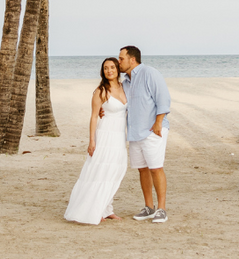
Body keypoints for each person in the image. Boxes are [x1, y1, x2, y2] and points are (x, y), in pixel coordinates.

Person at [64, 58, 129, 225]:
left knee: (114, 172)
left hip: (119, 137)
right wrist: (92, 141)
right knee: (99, 173)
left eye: (112, 67)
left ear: (117, 69)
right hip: (105, 136)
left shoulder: (125, 87)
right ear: (103, 71)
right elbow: (94, 117)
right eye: (106, 68)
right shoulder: (100, 91)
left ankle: (107, 209)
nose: (109, 71)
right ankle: (95, 210)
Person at [118, 45, 171, 223]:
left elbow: (163, 99)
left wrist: (158, 123)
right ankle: (149, 207)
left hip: (152, 130)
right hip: (134, 133)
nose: (119, 62)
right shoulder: (125, 82)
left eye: (121, 59)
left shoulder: (150, 73)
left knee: (156, 168)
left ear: (132, 60)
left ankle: (161, 209)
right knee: (142, 169)